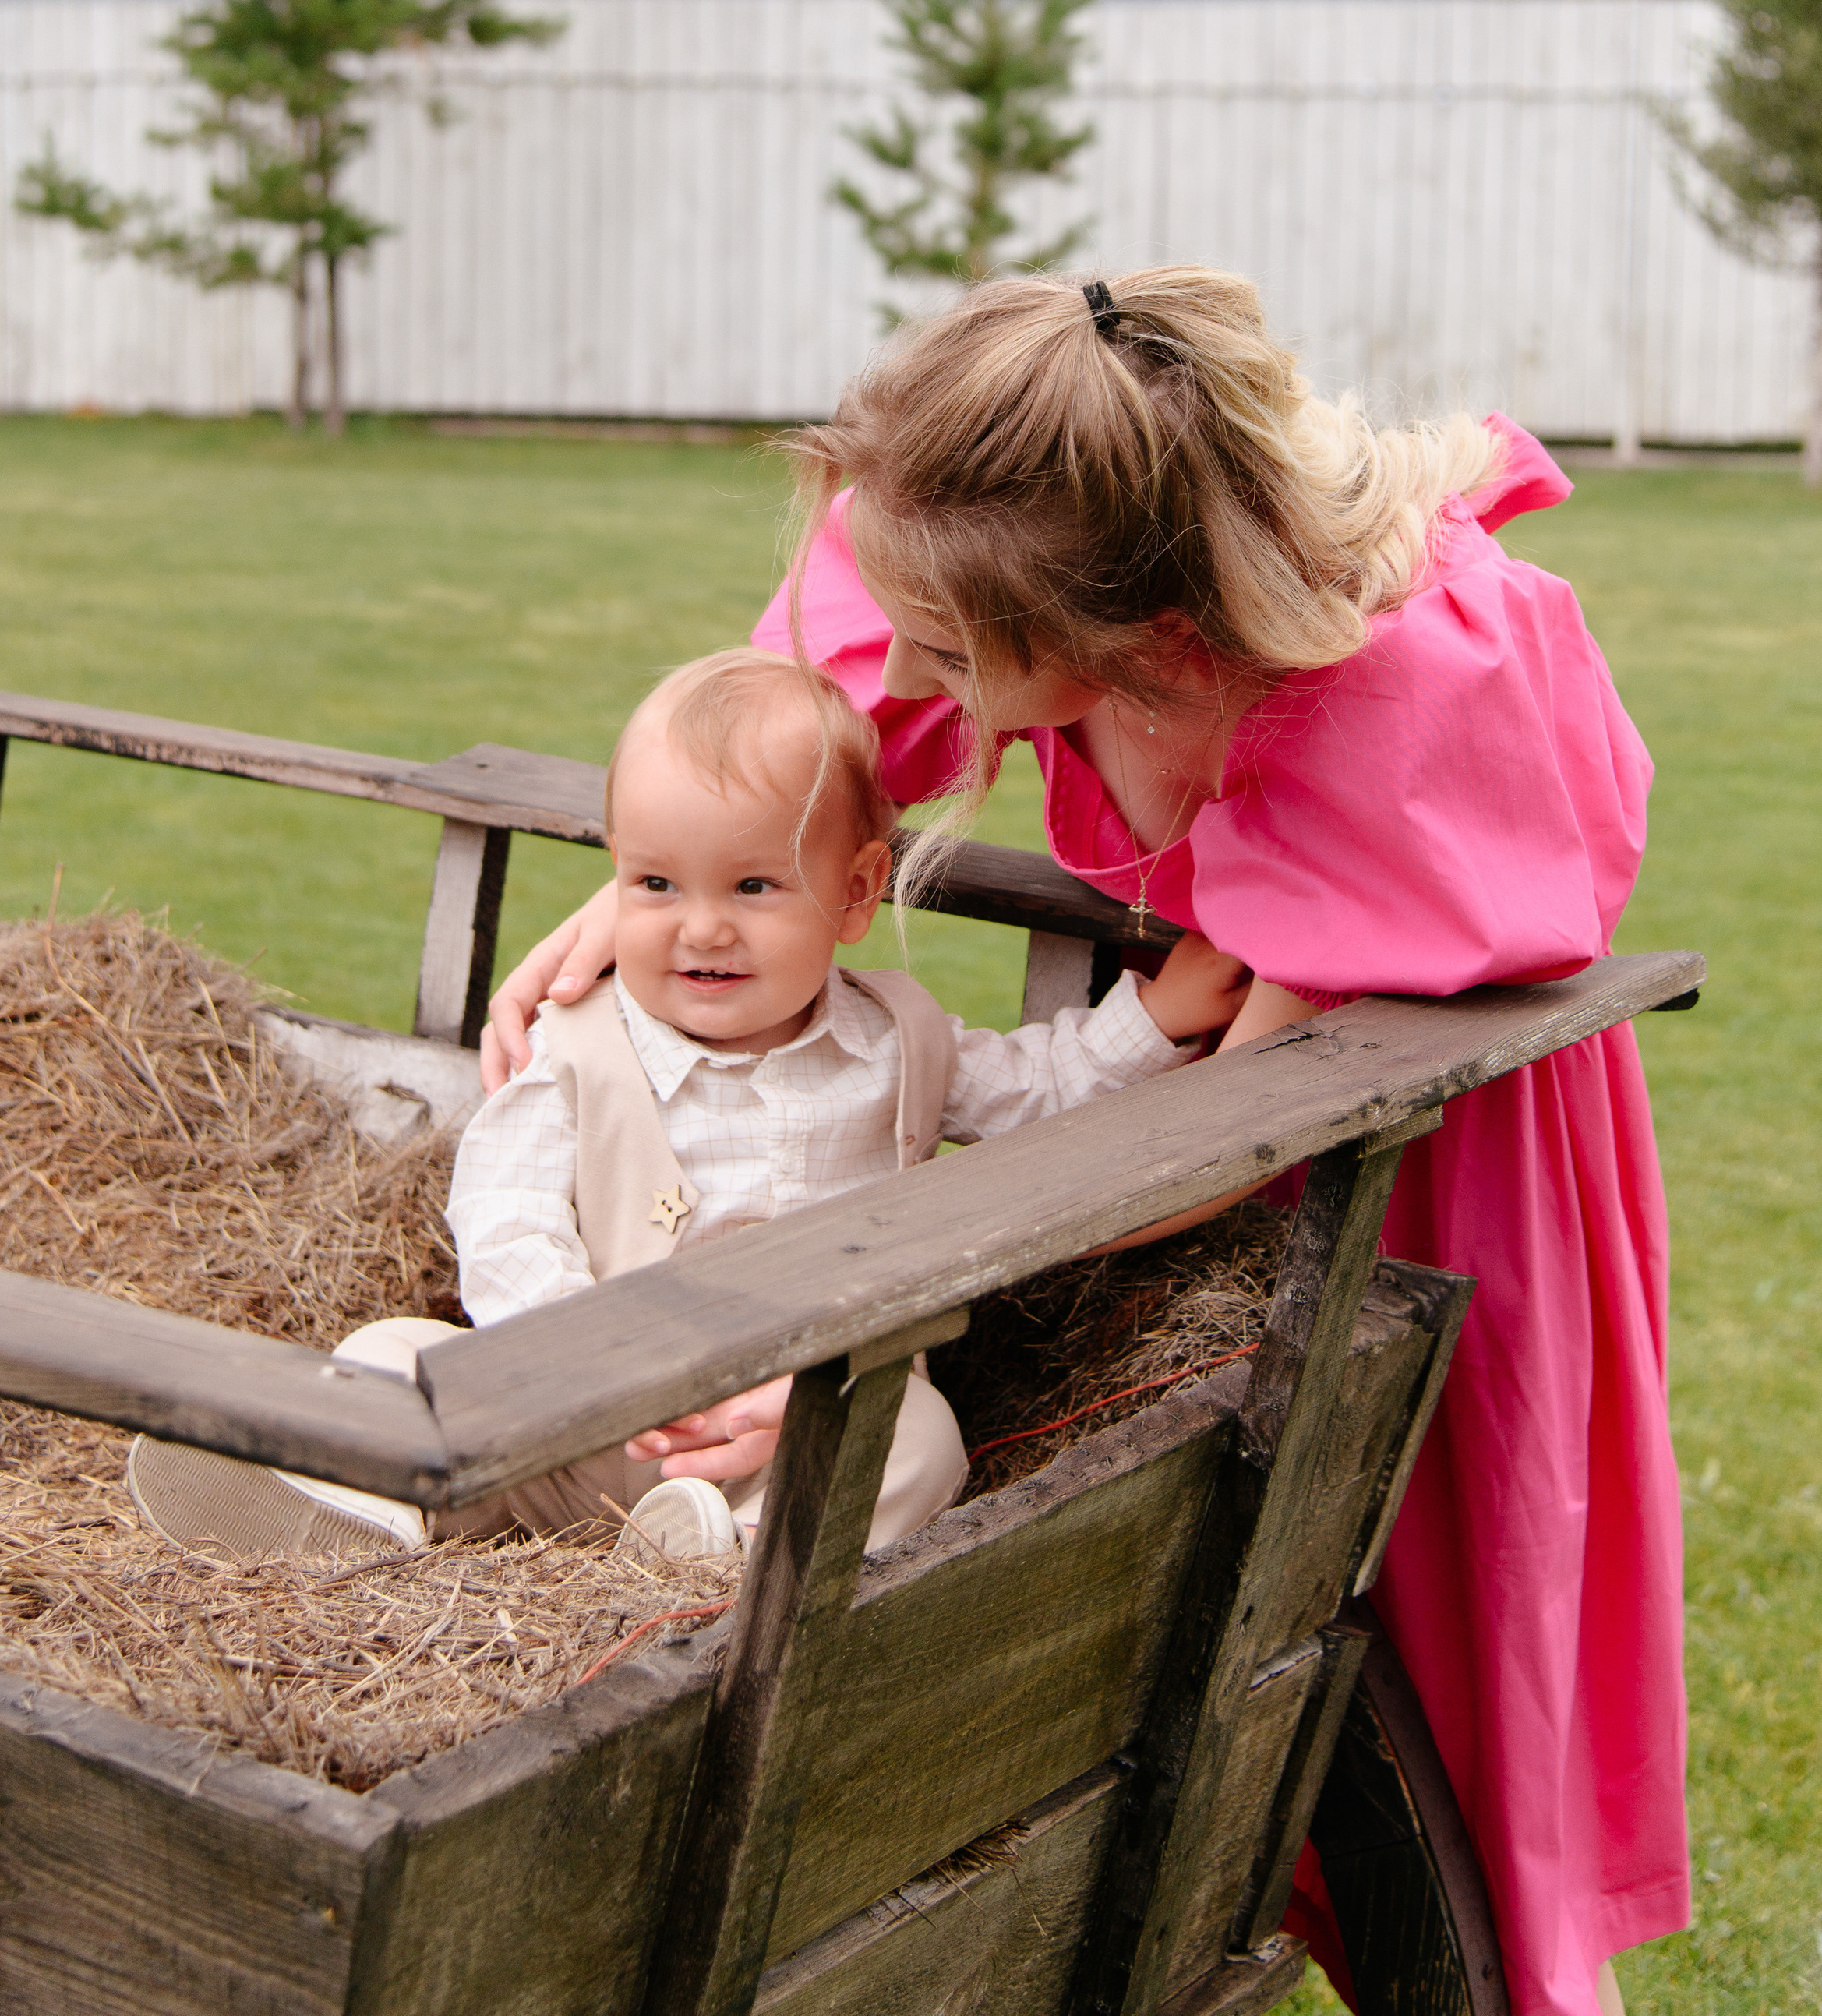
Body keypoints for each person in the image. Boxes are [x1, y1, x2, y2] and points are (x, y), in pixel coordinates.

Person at [482, 270, 1686, 2016]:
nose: (907, 675)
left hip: (1416, 1162)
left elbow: (1224, 1139)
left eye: (952, 656)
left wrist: (852, 1316)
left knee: (1430, 1647)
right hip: (1182, 1114)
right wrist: (662, 888)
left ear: (1142, 642)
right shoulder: (1003, 504)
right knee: (1180, 1671)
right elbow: (812, 731)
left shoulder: (1390, 695)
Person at [130, 643, 1241, 1571]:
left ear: (856, 893)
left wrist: (1154, 1017)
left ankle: (720, 1562)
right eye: (657, 885)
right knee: (394, 1355)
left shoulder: (900, 1040)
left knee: (919, 1441)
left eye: (754, 886)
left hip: (789, 1432)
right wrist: (591, 1367)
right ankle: (353, 1506)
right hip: (577, 1422)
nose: (702, 927)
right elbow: (505, 1218)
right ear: (616, 876)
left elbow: (1039, 1088)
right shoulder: (577, 1046)